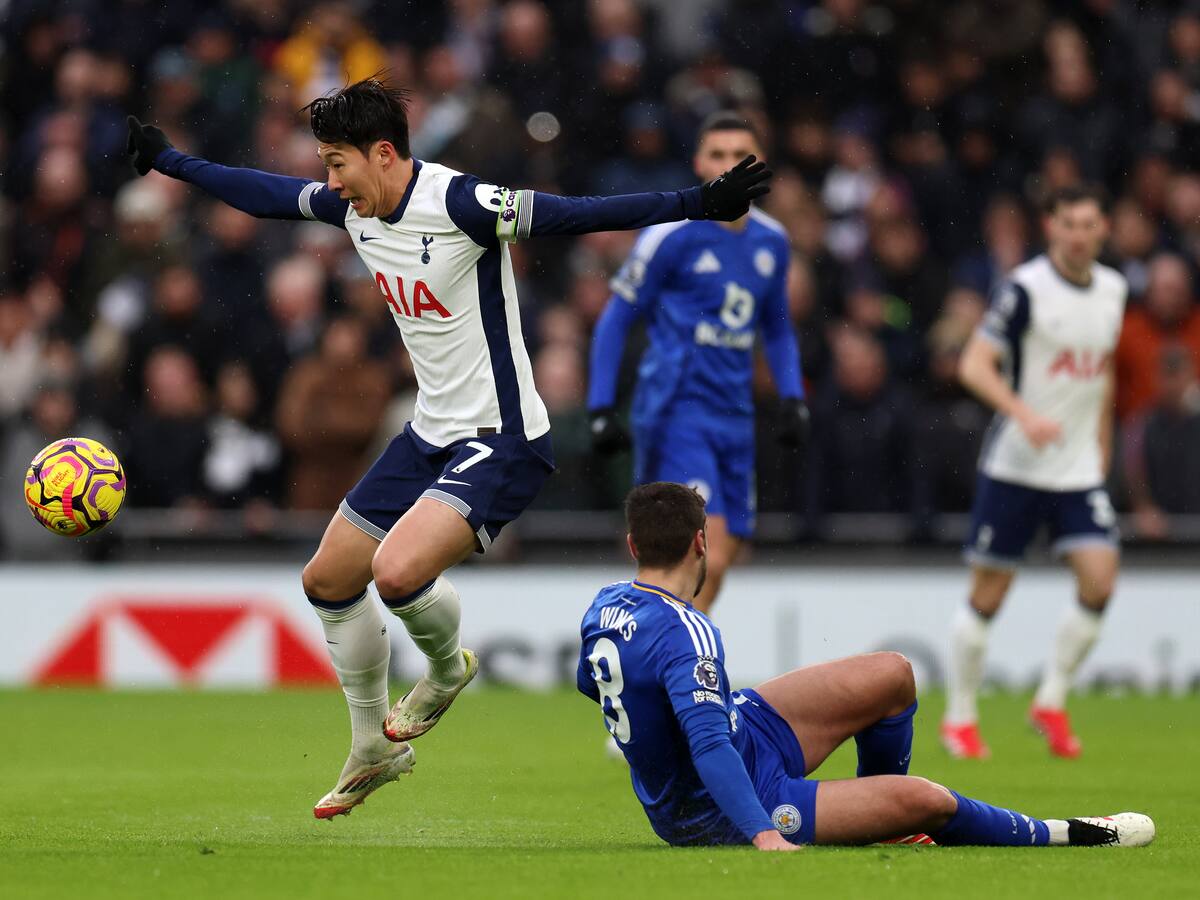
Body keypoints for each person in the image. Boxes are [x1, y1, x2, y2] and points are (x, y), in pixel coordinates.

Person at [125, 77, 771, 819]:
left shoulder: (462, 204)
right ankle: (372, 745)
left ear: (383, 153)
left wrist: (697, 202)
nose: (329, 182)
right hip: (429, 433)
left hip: (502, 436)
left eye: (337, 163)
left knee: (397, 573)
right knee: (327, 580)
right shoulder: (353, 206)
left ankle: (444, 670)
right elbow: (263, 194)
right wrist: (170, 162)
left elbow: (576, 213)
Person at [577, 482, 1154, 850]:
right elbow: (707, 748)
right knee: (930, 802)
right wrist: (761, 833)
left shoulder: (605, 606)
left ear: (633, 546)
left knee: (894, 674)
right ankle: (1065, 834)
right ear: (702, 544)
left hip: (745, 732)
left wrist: (649, 739)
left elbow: (593, 682)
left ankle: (881, 824)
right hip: (717, 809)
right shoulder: (688, 630)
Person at [587, 113, 806, 615]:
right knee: (706, 547)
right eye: (717, 155)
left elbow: (776, 328)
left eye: (740, 155)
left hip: (735, 414)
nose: (729, 165)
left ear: (761, 163)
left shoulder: (772, 241)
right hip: (676, 408)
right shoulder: (671, 235)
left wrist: (793, 397)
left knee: (723, 557)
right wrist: (600, 405)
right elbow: (615, 319)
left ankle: (660, 644)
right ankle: (680, 656)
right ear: (698, 163)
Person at [942, 184, 1126, 760]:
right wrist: (1024, 414)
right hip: (1016, 465)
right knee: (989, 594)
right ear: (1051, 228)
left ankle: (1050, 701)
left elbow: (1102, 375)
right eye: (1068, 224)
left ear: (1104, 229)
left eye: (1089, 224)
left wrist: (1101, 446)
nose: (1079, 235)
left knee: (1100, 580)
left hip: (1077, 468)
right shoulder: (1025, 289)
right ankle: (960, 717)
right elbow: (974, 365)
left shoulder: (1114, 290)